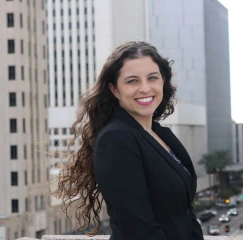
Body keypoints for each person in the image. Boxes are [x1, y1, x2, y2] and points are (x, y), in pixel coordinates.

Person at [54, 41, 204, 240]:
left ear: (163, 82)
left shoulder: (160, 133)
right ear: (115, 89)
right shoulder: (116, 139)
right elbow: (140, 229)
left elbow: (184, 212)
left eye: (152, 78)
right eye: (132, 81)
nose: (144, 88)